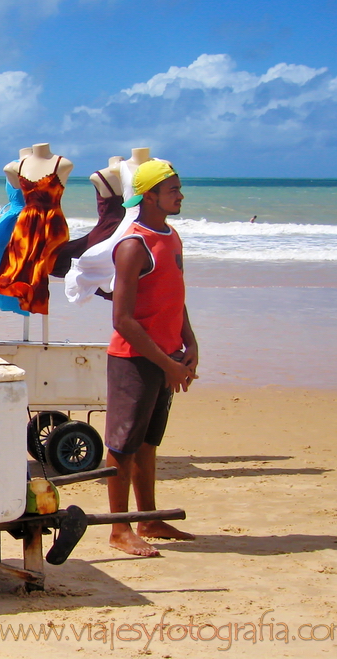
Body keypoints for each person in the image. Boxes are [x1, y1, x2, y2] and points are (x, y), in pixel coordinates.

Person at [104, 160, 199, 557]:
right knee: (123, 445)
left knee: (147, 442)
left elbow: (175, 296)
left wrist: (190, 342)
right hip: (135, 359)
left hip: (166, 356)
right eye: (173, 189)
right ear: (150, 196)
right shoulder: (132, 245)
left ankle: (149, 518)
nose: (180, 195)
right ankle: (118, 529)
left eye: (179, 188)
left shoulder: (171, 236)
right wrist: (167, 363)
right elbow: (123, 319)